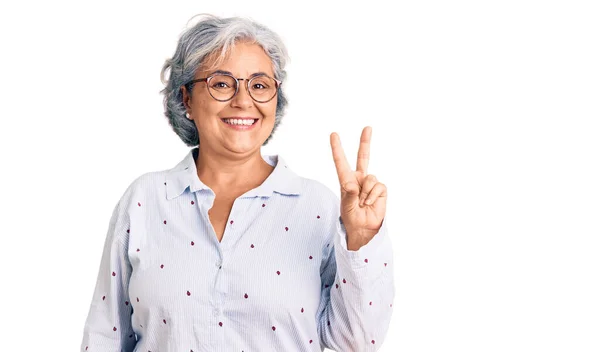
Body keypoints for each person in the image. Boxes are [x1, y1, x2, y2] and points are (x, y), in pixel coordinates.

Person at [80, 14, 394, 352]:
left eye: (259, 85)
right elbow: (105, 337)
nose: (243, 101)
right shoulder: (145, 200)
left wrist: (361, 238)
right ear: (186, 99)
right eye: (221, 83)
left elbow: (356, 342)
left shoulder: (317, 206)